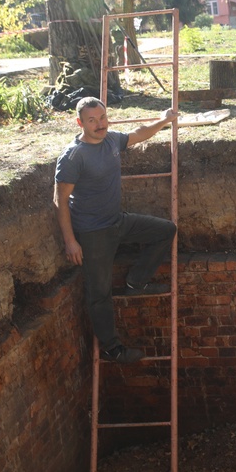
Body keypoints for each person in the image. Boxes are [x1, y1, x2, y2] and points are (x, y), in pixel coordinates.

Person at [54, 97, 178, 363]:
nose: (99, 124)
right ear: (80, 123)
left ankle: (136, 281)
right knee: (100, 293)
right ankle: (112, 348)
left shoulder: (110, 140)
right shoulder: (73, 156)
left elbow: (137, 135)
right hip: (92, 234)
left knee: (166, 230)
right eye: (92, 120)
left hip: (117, 222)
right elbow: (60, 200)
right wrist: (70, 241)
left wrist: (164, 120)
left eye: (102, 118)